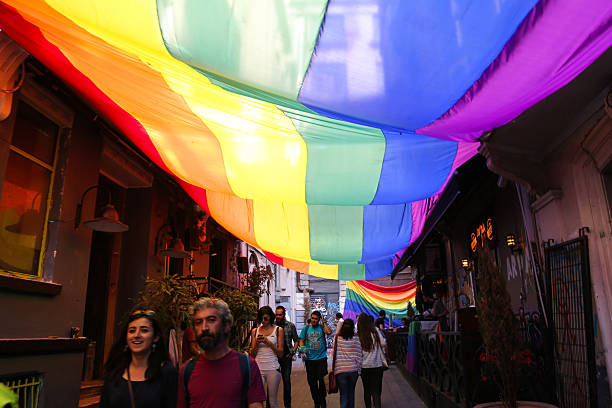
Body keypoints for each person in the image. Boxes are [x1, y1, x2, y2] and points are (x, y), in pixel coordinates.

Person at [177, 297, 266, 408]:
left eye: (211, 320)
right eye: (198, 322)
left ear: (227, 325)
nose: (204, 328)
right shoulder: (186, 371)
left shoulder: (247, 366)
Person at [100, 309, 177, 408]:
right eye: (132, 331)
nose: (136, 335)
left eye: (144, 330)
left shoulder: (167, 373)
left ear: (156, 337)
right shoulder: (114, 372)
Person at [250, 306, 284, 408]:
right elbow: (252, 354)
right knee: (257, 401)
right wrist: (256, 343)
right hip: (258, 368)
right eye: (261, 319)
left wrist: (268, 342)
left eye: (266, 318)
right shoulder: (255, 331)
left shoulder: (278, 330)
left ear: (271, 317)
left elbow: (280, 353)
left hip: (273, 368)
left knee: (273, 401)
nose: (263, 321)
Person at [298, 310, 332, 408]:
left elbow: (329, 332)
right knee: (312, 384)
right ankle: (317, 402)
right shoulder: (306, 327)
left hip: (321, 359)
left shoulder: (321, 327)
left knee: (322, 382)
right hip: (310, 360)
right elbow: (301, 340)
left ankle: (322, 401)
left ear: (319, 320)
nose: (313, 320)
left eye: (316, 319)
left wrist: (323, 321)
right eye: (312, 318)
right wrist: (302, 348)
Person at [358, 312, 387, 408]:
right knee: (376, 391)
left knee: (367, 390)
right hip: (377, 365)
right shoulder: (375, 331)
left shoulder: (358, 334)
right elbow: (383, 343)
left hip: (364, 366)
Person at [332, 319, 362, 408]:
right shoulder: (356, 339)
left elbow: (334, 353)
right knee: (351, 393)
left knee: (343, 394)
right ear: (353, 328)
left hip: (340, 370)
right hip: (353, 370)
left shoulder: (337, 338)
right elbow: (359, 355)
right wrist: (359, 371)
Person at [274, 306, 299, 408]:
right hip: (274, 358)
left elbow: (296, 340)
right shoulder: (272, 326)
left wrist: (292, 352)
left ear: (284, 315)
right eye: (276, 314)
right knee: (272, 382)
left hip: (286, 358)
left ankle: (287, 405)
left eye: (280, 314)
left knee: (286, 381)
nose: (278, 316)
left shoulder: (290, 326)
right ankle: (270, 404)